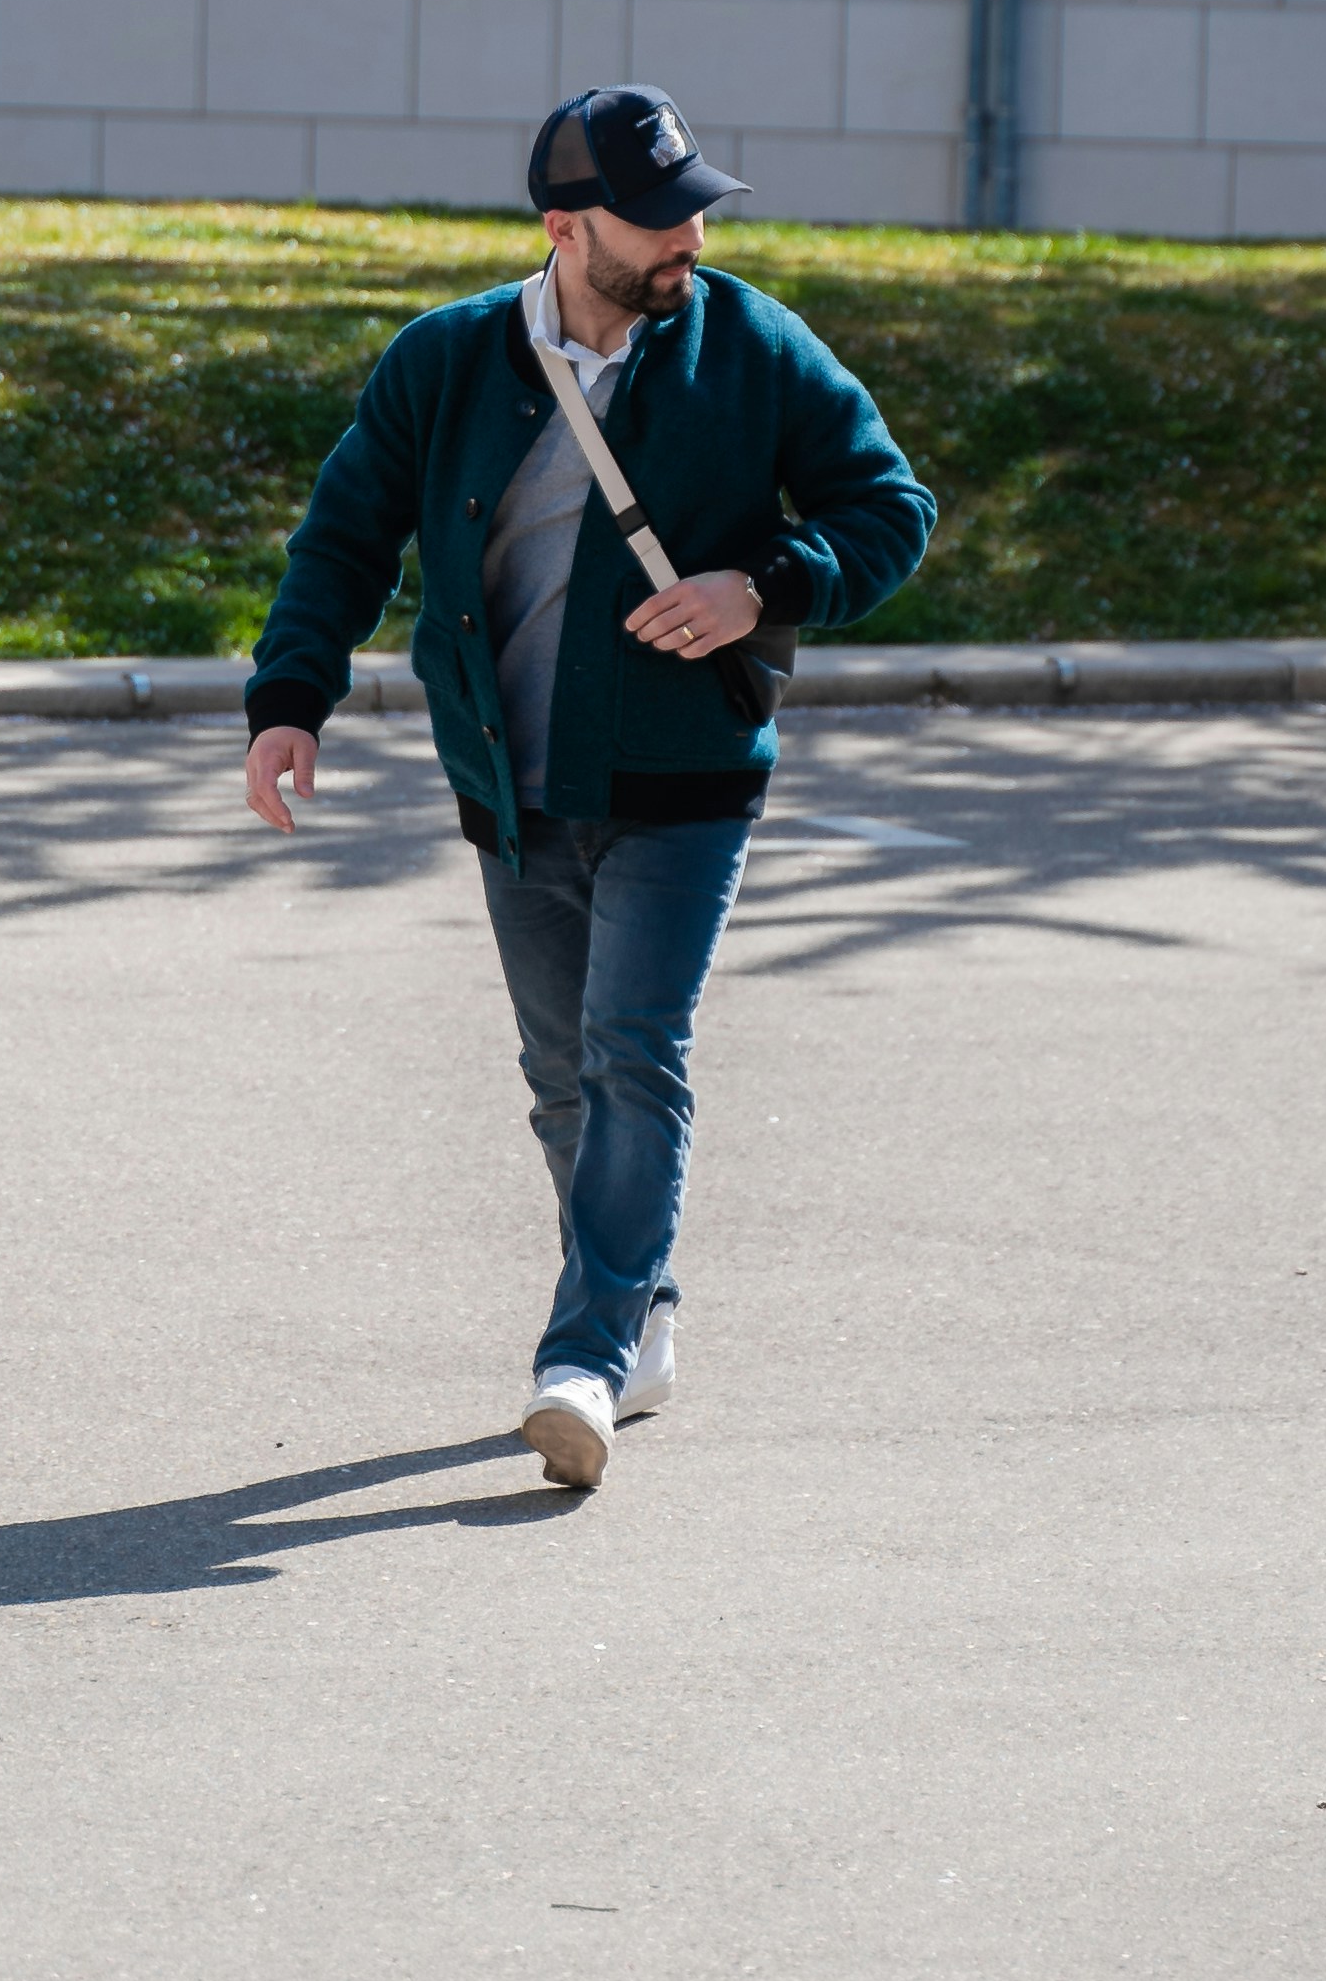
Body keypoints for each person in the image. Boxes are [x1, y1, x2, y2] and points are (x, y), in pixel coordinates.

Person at [242, 86, 935, 1492]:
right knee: (560, 1080)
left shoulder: (751, 345)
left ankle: (582, 1359)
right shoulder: (443, 363)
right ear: (566, 227)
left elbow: (888, 507)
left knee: (633, 1051)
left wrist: (766, 586)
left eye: (696, 205)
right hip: (514, 785)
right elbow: (344, 540)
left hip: (687, 779)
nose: (689, 232)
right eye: (657, 213)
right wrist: (288, 701)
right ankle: (644, 1306)